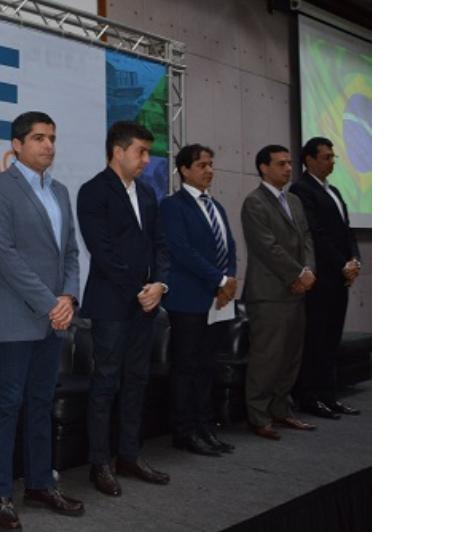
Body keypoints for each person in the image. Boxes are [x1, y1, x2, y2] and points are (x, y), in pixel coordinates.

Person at [0, 111, 84, 530]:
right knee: (8, 407)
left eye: (52, 138)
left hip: (53, 319)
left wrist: (68, 296)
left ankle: (40, 484)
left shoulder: (59, 191)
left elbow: (70, 252)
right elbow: (5, 256)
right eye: (39, 138)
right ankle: (0, 496)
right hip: (16, 318)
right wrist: (50, 302)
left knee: (41, 403)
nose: (48, 145)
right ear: (17, 145)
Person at [76, 121, 171, 497]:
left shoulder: (147, 193)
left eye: (148, 152)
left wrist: (160, 284)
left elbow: (160, 244)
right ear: (118, 151)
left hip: (145, 303)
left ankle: (129, 455)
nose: (147, 160)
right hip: (111, 303)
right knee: (106, 383)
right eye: (140, 152)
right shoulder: (93, 191)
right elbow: (103, 252)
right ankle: (99, 463)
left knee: (137, 380)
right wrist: (139, 291)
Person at [159, 144, 238, 456]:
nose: (209, 170)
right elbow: (182, 250)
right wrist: (220, 280)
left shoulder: (215, 205)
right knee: (186, 368)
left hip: (217, 299)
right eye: (202, 165)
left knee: (207, 366)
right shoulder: (172, 206)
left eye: (211, 164)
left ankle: (205, 427)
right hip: (188, 299)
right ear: (184, 170)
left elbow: (229, 246)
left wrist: (229, 280)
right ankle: (184, 431)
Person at [240, 145, 317, 440]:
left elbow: (307, 238)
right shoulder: (254, 202)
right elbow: (267, 247)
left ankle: (281, 410)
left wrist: (308, 271)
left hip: (297, 291)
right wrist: (298, 274)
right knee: (267, 358)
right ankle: (258, 416)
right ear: (264, 167)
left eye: (289, 163)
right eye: (281, 163)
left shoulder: (294, 200)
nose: (288, 168)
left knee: (290, 357)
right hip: (269, 293)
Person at [290, 137, 362, 418]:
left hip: (340, 277)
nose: (332, 162)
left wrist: (354, 259)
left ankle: (329, 396)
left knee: (332, 340)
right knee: (316, 340)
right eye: (326, 157)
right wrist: (341, 263)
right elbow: (315, 234)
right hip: (320, 278)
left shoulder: (334, 190)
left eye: (333, 157)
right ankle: (310, 397)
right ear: (309, 160)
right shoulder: (301, 189)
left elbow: (346, 230)